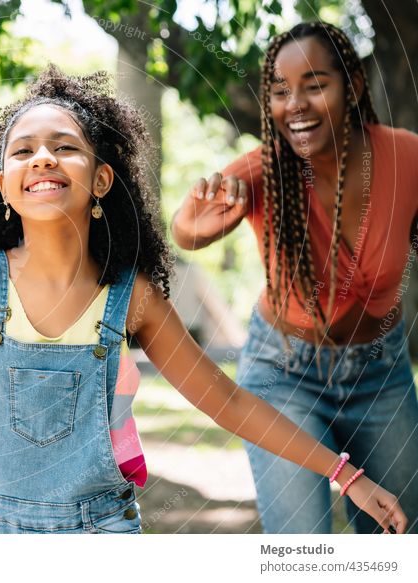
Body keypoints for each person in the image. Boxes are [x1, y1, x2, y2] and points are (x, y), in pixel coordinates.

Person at [0, 65, 407, 534]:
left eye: (64, 146)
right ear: (5, 186)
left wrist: (344, 474)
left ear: (101, 179)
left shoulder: (134, 302)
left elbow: (231, 401)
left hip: (102, 533)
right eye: (24, 150)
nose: (43, 157)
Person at [171, 21, 418, 533]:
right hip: (284, 373)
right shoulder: (264, 169)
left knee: (402, 537)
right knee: (301, 544)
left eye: (314, 84)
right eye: (280, 91)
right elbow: (186, 231)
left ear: (351, 84)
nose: (295, 103)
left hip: (380, 374)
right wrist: (197, 220)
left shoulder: (406, 157)